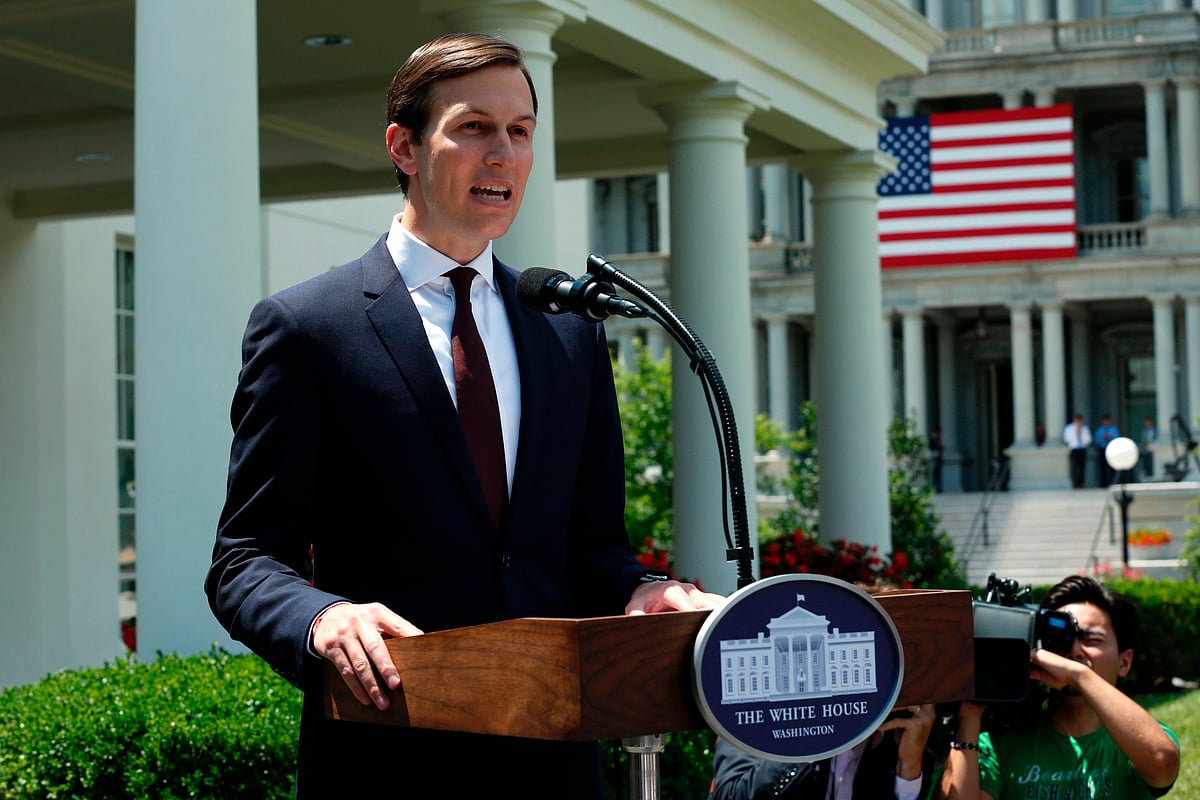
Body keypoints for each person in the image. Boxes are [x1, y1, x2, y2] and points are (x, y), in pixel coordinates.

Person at [205, 33, 721, 799]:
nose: (503, 154)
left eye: (520, 131)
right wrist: (322, 619)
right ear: (404, 148)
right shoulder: (309, 328)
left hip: (554, 766)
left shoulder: (568, 332)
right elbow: (244, 562)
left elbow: (591, 552)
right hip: (388, 760)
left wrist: (642, 591)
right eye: (474, 127)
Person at [935, 575, 1180, 800]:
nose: (1074, 651)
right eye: (1061, 639)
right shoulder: (999, 743)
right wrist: (969, 716)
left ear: (1124, 662)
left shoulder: (1136, 740)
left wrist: (1079, 674)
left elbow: (1162, 762)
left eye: (1091, 640)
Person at [709, 703, 936, 799]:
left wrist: (909, 768)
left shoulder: (901, 732)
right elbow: (729, 795)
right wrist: (810, 738)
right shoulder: (753, 714)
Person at [1062, 413, 1091, 489]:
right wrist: (1076, 432)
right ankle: (1075, 484)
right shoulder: (1069, 428)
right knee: (1075, 467)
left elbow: (1088, 440)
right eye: (1077, 420)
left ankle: (1081, 484)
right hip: (1074, 449)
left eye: (1079, 420)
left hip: (1082, 449)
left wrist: (1081, 432)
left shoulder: (1084, 428)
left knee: (1082, 467)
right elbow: (1066, 439)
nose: (1078, 421)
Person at [1094, 414, 1120, 487]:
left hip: (1112, 450)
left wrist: (1110, 437)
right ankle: (1103, 484)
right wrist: (1103, 438)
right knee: (1102, 468)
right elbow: (1096, 440)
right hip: (1102, 450)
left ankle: (1112, 483)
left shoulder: (1113, 429)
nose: (1106, 422)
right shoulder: (1100, 430)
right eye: (1105, 421)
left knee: (1112, 467)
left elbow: (1117, 438)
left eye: (1107, 420)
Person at [929, 428, 945, 493]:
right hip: (935, 460)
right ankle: (935, 488)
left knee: (937, 475)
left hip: (937, 460)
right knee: (935, 475)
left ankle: (937, 488)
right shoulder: (932, 440)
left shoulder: (937, 440)